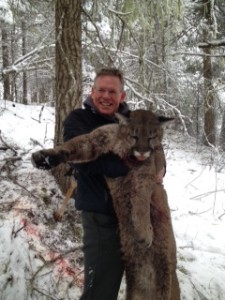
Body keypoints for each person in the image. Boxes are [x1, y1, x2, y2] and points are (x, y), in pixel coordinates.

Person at [63, 68, 130, 300]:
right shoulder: (79, 120)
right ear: (92, 92)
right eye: (101, 90)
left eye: (112, 91)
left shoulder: (131, 122)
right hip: (101, 216)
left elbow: (154, 155)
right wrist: (130, 165)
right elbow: (82, 160)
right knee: (99, 290)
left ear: (122, 96)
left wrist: (160, 167)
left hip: (134, 218)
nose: (106, 96)